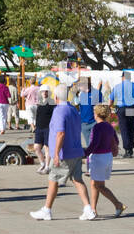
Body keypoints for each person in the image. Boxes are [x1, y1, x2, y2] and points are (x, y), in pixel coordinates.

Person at [30, 85, 91, 220]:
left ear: (56, 97)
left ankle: (47, 209)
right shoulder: (73, 109)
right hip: (75, 151)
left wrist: (56, 154)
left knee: (53, 180)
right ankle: (88, 208)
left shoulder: (59, 111)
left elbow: (60, 133)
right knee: (77, 179)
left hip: (64, 153)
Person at [82, 103, 125, 218]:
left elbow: (94, 144)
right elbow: (115, 141)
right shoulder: (109, 126)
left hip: (98, 157)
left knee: (99, 186)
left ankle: (118, 204)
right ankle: (93, 209)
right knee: (94, 183)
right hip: (107, 156)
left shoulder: (97, 127)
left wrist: (84, 153)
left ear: (96, 114)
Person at [110, 72, 134, 158]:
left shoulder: (117, 86)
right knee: (131, 128)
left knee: (124, 129)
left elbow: (111, 99)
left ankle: (127, 150)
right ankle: (130, 148)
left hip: (122, 109)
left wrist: (109, 107)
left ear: (123, 77)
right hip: (132, 108)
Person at [33, 92, 55, 174]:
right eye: (43, 91)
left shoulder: (52, 103)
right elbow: (38, 115)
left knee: (47, 148)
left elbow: (54, 116)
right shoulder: (40, 102)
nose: (44, 93)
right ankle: (42, 163)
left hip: (48, 128)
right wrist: (35, 126)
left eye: (46, 91)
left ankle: (47, 167)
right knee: (36, 147)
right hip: (39, 127)